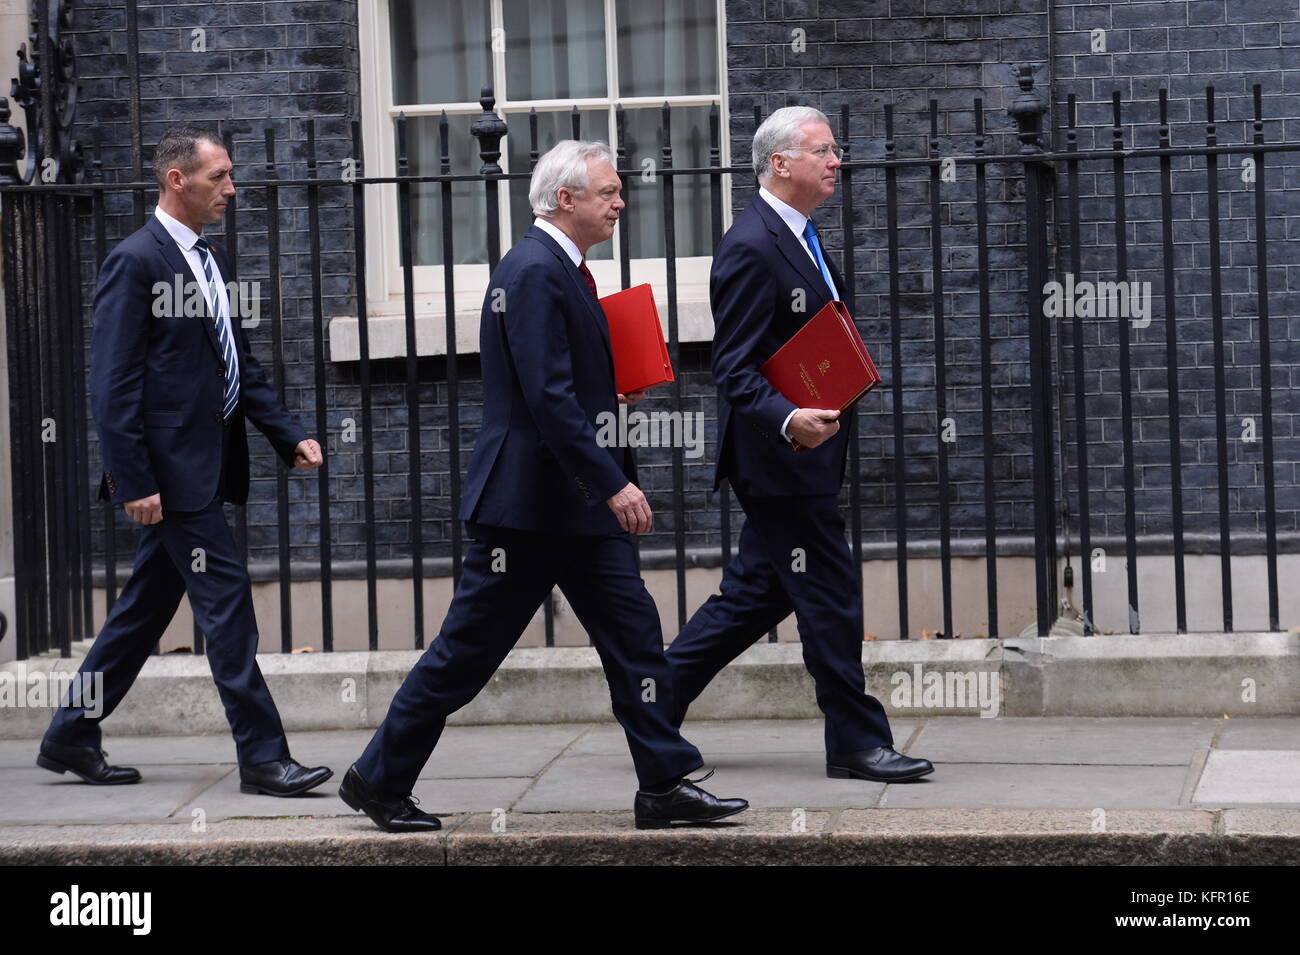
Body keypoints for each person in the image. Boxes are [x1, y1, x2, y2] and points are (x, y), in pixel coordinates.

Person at [339, 140, 748, 832]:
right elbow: (547, 397)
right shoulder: (532, 272)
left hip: (575, 510)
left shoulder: (566, 270)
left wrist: (613, 393)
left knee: (635, 638)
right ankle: (378, 778)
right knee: (465, 654)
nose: (621, 202)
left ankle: (664, 782)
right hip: (529, 508)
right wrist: (613, 480)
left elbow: (566, 383)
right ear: (566, 199)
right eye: (608, 192)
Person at [37, 125, 332, 797]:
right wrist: (133, 479)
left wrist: (288, 434)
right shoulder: (135, 262)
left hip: (202, 466)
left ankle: (69, 733)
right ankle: (263, 757)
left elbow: (239, 365)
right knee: (229, 609)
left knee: (143, 609)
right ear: (178, 180)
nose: (231, 187)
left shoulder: (213, 260)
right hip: (170, 475)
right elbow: (113, 384)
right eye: (219, 175)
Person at [665, 107, 934, 783]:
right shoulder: (751, 246)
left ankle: (651, 700)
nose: (836, 159)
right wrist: (787, 419)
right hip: (780, 461)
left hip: (804, 456)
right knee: (830, 596)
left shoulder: (803, 235)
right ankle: (856, 740)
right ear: (779, 163)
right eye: (822, 150)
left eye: (834, 149)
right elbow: (733, 369)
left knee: (752, 596)